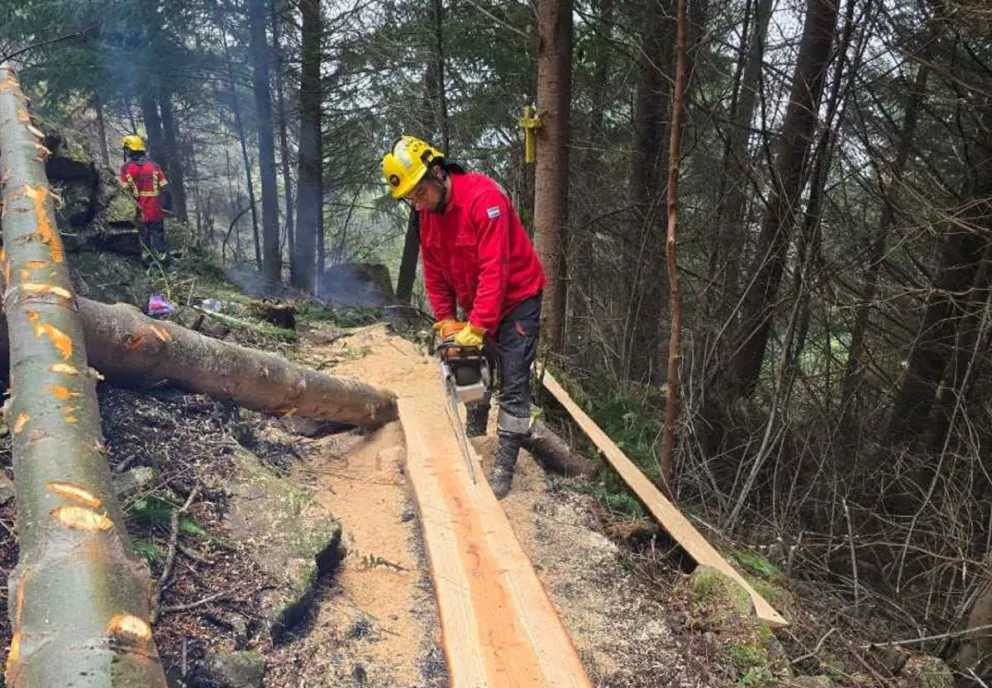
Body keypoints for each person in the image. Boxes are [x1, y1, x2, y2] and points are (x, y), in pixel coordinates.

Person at [382, 134, 546, 498]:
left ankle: (504, 463)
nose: (418, 202)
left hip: (517, 297)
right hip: (478, 303)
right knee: (468, 365)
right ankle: (475, 432)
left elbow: (495, 269)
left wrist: (480, 325)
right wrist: (447, 320)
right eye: (411, 198)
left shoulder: (484, 199)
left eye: (420, 192)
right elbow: (435, 272)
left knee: (514, 379)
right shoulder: (427, 218)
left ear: (437, 173)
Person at [119, 135, 171, 263]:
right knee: (157, 233)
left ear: (128, 150)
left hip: (138, 210)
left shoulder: (126, 169)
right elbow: (165, 188)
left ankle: (147, 262)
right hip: (155, 209)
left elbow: (125, 192)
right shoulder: (154, 165)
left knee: (143, 236)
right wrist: (166, 206)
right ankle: (163, 261)